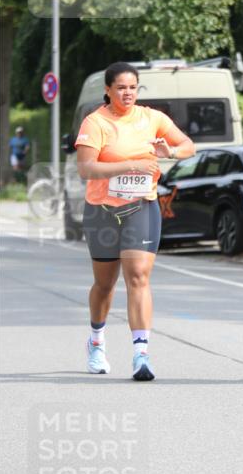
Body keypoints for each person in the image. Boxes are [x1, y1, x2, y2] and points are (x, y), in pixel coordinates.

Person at [75, 62, 195, 381]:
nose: (127, 93)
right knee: (105, 284)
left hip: (142, 206)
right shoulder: (96, 122)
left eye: (132, 87)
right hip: (102, 210)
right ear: (108, 90)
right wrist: (129, 164)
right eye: (121, 88)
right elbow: (86, 169)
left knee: (139, 276)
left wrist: (170, 150)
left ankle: (141, 354)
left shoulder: (152, 118)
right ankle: (96, 340)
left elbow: (188, 147)